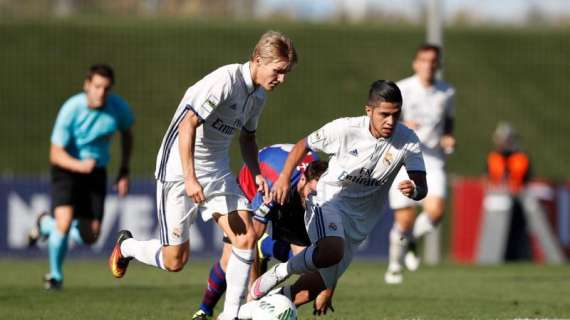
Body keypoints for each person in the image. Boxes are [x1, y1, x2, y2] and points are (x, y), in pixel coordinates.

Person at [108, 31, 297, 320]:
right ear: (259, 60)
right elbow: (188, 125)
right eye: (279, 71)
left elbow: (248, 138)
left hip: (217, 170)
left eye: (285, 73)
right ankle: (127, 246)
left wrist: (257, 174)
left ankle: (231, 315)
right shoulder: (225, 81)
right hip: (179, 168)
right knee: (175, 260)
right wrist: (190, 177)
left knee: (245, 238)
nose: (282, 79)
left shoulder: (257, 96)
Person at [239, 80, 427, 317]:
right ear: (368, 110)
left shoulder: (407, 140)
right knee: (331, 251)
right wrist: (285, 177)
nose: (391, 121)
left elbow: (422, 186)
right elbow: (303, 145)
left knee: (306, 292)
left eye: (396, 115)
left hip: (360, 224)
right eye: (384, 114)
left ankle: (252, 311)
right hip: (327, 202)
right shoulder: (345, 129)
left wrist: (415, 189)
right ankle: (279, 272)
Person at [191, 144, 328, 320]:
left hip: (290, 191)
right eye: (313, 193)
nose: (315, 199)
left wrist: (326, 290)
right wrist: (253, 296)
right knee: (232, 256)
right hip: (252, 186)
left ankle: (271, 304)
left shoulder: (325, 192)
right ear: (303, 181)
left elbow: (331, 253)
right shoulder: (275, 188)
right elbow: (250, 242)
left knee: (314, 268)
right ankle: (204, 311)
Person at [27, 64, 134, 290]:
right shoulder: (71, 109)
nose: (101, 92)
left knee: (90, 236)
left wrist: (124, 170)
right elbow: (55, 153)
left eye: (106, 88)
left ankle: (45, 224)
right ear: (87, 85)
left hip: (95, 173)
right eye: (96, 86)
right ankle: (55, 276)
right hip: (67, 168)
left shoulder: (117, 108)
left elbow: (127, 133)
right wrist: (79, 165)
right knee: (64, 223)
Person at [385, 44, 456, 284]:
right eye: (423, 60)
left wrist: (448, 136)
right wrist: (403, 126)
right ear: (416, 63)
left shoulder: (446, 92)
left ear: (438, 64)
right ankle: (395, 266)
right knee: (404, 220)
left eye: (433, 61)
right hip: (404, 155)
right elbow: (386, 120)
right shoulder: (403, 88)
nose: (428, 65)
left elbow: (448, 122)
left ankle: (412, 240)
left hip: (433, 158)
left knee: (436, 212)